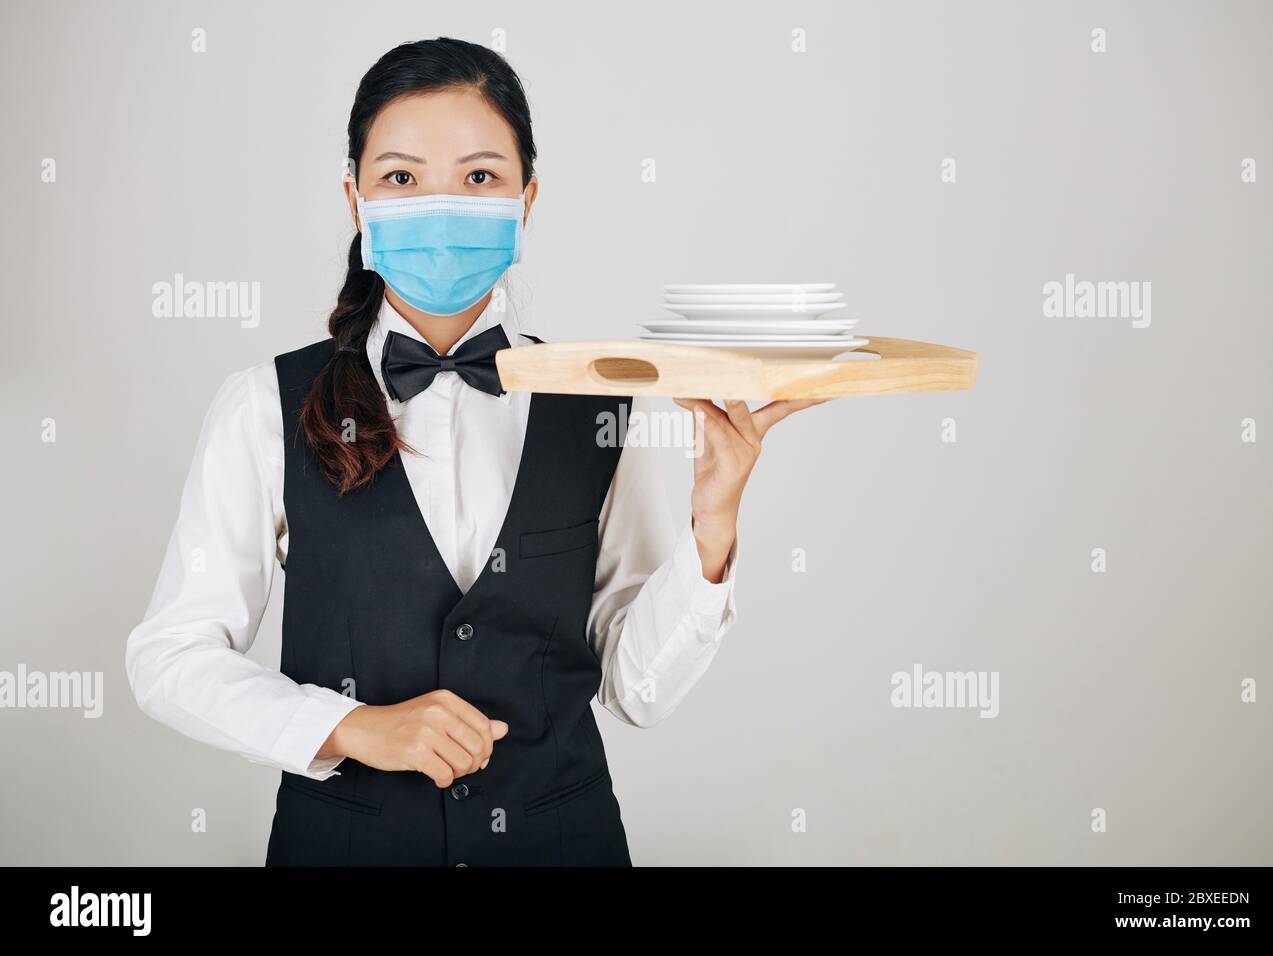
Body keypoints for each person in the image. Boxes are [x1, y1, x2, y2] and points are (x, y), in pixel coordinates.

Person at [125, 37, 823, 866]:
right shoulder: (261, 406)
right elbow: (170, 658)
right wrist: (349, 726)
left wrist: (712, 528)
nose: (440, 207)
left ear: (527, 200)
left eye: (480, 176)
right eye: (401, 178)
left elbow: (636, 690)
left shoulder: (598, 400)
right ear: (356, 199)